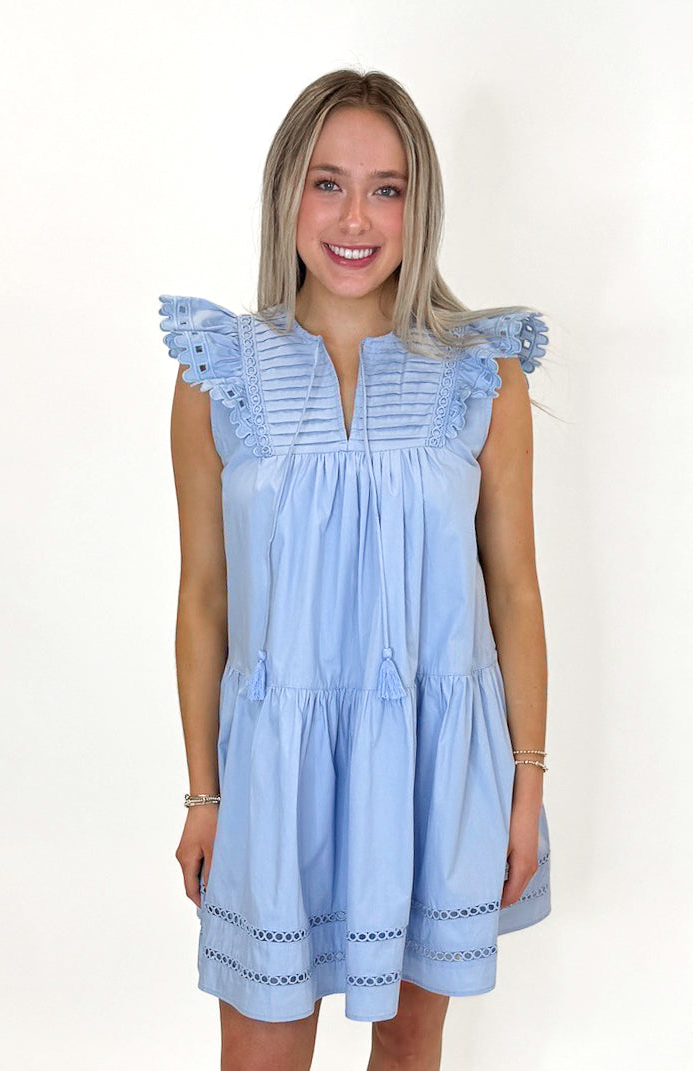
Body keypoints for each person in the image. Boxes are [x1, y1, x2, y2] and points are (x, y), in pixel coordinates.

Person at [159, 68, 552, 1071]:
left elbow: (513, 590)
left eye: (387, 188)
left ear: (419, 207)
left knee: (409, 1056)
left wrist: (525, 786)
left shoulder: (481, 370)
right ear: (286, 189)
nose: (356, 218)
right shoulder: (220, 370)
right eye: (329, 182)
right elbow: (203, 596)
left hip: (435, 763)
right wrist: (205, 795)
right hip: (274, 772)